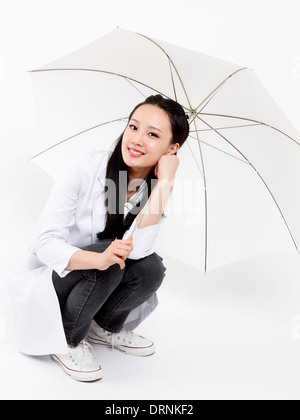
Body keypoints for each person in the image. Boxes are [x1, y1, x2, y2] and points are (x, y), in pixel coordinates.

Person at [6, 94, 189, 382]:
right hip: (53, 274)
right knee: (108, 261)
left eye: (153, 134)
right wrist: (98, 258)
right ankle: (66, 339)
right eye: (133, 127)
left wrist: (164, 184)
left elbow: (138, 252)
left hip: (97, 274)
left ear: (172, 149)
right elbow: (45, 243)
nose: (137, 139)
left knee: (151, 269)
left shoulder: (154, 187)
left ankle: (103, 327)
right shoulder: (87, 167)